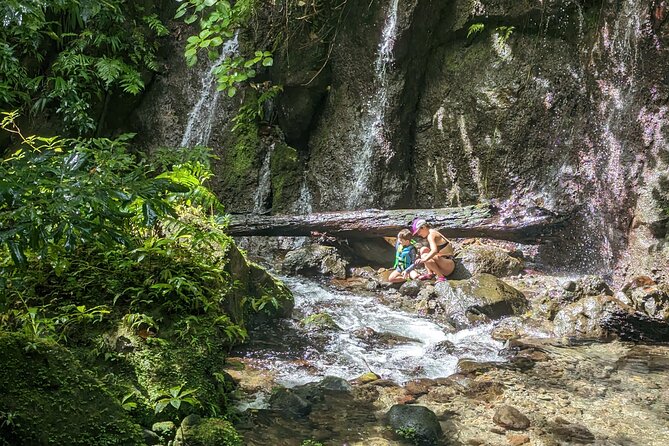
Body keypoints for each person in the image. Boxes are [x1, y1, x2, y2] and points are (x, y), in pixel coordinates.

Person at [411, 218, 455, 282]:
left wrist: (424, 259)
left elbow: (434, 251)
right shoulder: (432, 231)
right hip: (445, 262)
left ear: (423, 227)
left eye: (418, 231)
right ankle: (430, 274)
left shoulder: (431, 235)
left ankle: (441, 277)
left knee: (425, 256)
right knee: (423, 249)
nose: (418, 234)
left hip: (448, 266)